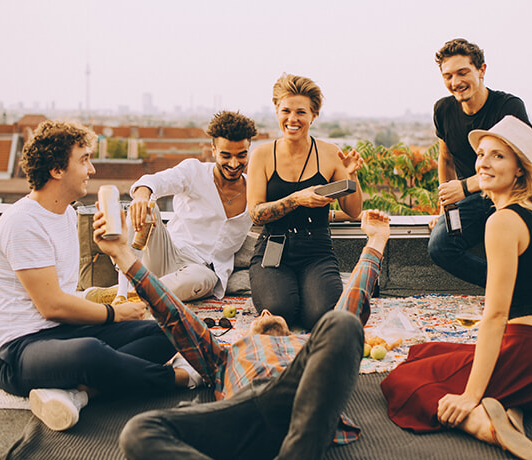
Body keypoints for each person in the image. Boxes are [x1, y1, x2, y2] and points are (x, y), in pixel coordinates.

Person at [90, 208, 390, 460]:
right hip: (242, 411)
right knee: (139, 432)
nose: (266, 313)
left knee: (344, 324)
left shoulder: (309, 345)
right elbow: (174, 315)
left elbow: (351, 305)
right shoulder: (221, 356)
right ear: (245, 335)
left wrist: (376, 240)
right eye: (261, 315)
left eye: (269, 314)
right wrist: (121, 253)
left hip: (303, 400)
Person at [382, 116, 532, 460]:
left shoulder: (502, 221)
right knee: (425, 352)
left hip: (526, 360)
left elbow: (496, 316)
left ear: (519, 169)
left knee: (404, 378)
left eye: (498, 156)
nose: (483, 162)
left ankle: (481, 423)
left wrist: (469, 395)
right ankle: (509, 413)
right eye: (482, 154)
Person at [0, 120, 190, 433]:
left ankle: (78, 394)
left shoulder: (66, 213)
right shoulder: (23, 222)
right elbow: (51, 305)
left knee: (164, 333)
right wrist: (114, 314)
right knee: (91, 353)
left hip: (59, 334)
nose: (91, 169)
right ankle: (180, 379)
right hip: (14, 352)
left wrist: (115, 249)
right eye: (84, 160)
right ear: (56, 170)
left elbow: (64, 306)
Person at [89, 111, 258, 303]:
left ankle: (135, 294)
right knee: (148, 206)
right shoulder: (194, 171)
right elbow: (152, 182)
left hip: (205, 271)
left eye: (241, 155)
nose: (234, 163)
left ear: (249, 150)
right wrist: (141, 198)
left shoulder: (256, 190)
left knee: (196, 279)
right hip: (169, 253)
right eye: (226, 155)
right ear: (213, 150)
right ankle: (122, 289)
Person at [247, 73, 363, 330]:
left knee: (321, 316)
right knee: (280, 312)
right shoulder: (262, 155)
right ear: (276, 110)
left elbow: (354, 211)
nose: (292, 119)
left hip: (317, 250)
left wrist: (352, 176)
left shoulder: (330, 153)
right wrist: (296, 199)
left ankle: (310, 291)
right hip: (273, 248)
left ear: (313, 115)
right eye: (286, 110)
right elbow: (255, 214)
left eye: (301, 112)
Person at [428, 38, 531, 287]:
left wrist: (463, 188)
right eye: (448, 75)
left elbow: (519, 164)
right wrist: (446, 203)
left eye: (463, 72)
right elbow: (446, 158)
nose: (455, 82)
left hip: (510, 195)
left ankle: (514, 287)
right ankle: (512, 285)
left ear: (481, 70)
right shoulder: (443, 110)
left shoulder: (508, 107)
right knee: (440, 247)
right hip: (472, 200)